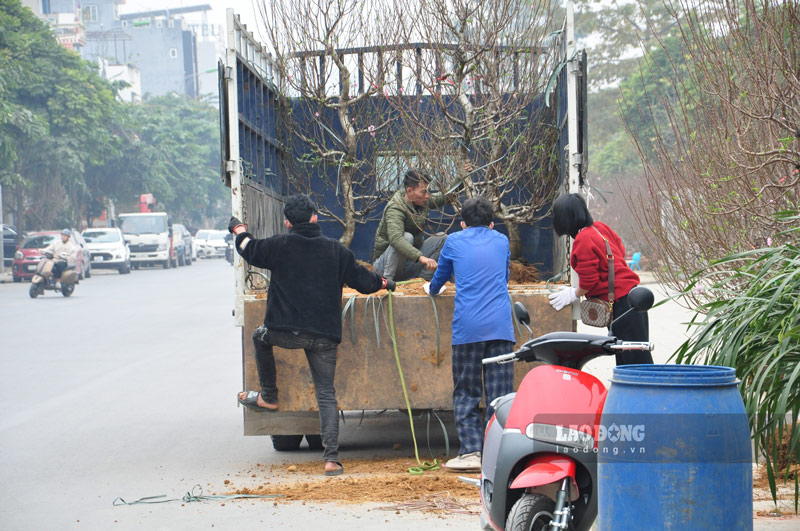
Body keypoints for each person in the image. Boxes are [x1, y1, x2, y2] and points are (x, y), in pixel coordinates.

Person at [230, 194, 395, 476]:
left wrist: (239, 229)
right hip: (324, 337)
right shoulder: (336, 251)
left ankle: (269, 396)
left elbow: (248, 248)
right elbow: (364, 282)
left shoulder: (278, 246)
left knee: (260, 337)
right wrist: (384, 282)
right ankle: (331, 459)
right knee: (326, 394)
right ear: (315, 218)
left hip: (286, 333)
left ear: (287, 222)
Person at [425, 196, 515, 472]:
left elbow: (439, 278)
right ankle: (497, 452)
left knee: (466, 390)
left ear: (463, 224)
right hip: (501, 327)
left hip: (468, 330)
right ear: (491, 223)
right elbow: (505, 275)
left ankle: (471, 452)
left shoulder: (453, 241)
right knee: (500, 394)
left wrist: (432, 289)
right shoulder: (501, 240)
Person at [548, 193, 653, 365]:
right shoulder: (599, 227)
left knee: (631, 358)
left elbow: (589, 281)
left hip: (621, 302)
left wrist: (573, 293)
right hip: (632, 298)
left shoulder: (583, 239)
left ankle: (643, 391)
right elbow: (620, 247)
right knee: (635, 351)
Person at [372, 169, 451, 282]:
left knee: (442, 238)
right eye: (423, 192)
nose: (427, 196)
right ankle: (387, 281)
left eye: (428, 191)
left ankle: (422, 282)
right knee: (406, 237)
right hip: (384, 266)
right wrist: (420, 257)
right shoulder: (395, 207)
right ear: (409, 191)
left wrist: (462, 179)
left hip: (407, 264)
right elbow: (396, 239)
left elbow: (444, 196)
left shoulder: (420, 200)